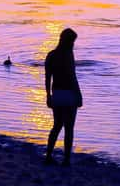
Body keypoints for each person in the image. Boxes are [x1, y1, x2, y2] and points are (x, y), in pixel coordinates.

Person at [45, 28, 83, 166]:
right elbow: (72, 77)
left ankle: (48, 155)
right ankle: (66, 159)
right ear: (69, 41)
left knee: (56, 126)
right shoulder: (68, 55)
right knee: (69, 128)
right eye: (73, 41)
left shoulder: (51, 55)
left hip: (57, 94)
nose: (74, 44)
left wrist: (48, 95)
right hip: (69, 93)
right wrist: (79, 95)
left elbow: (47, 78)